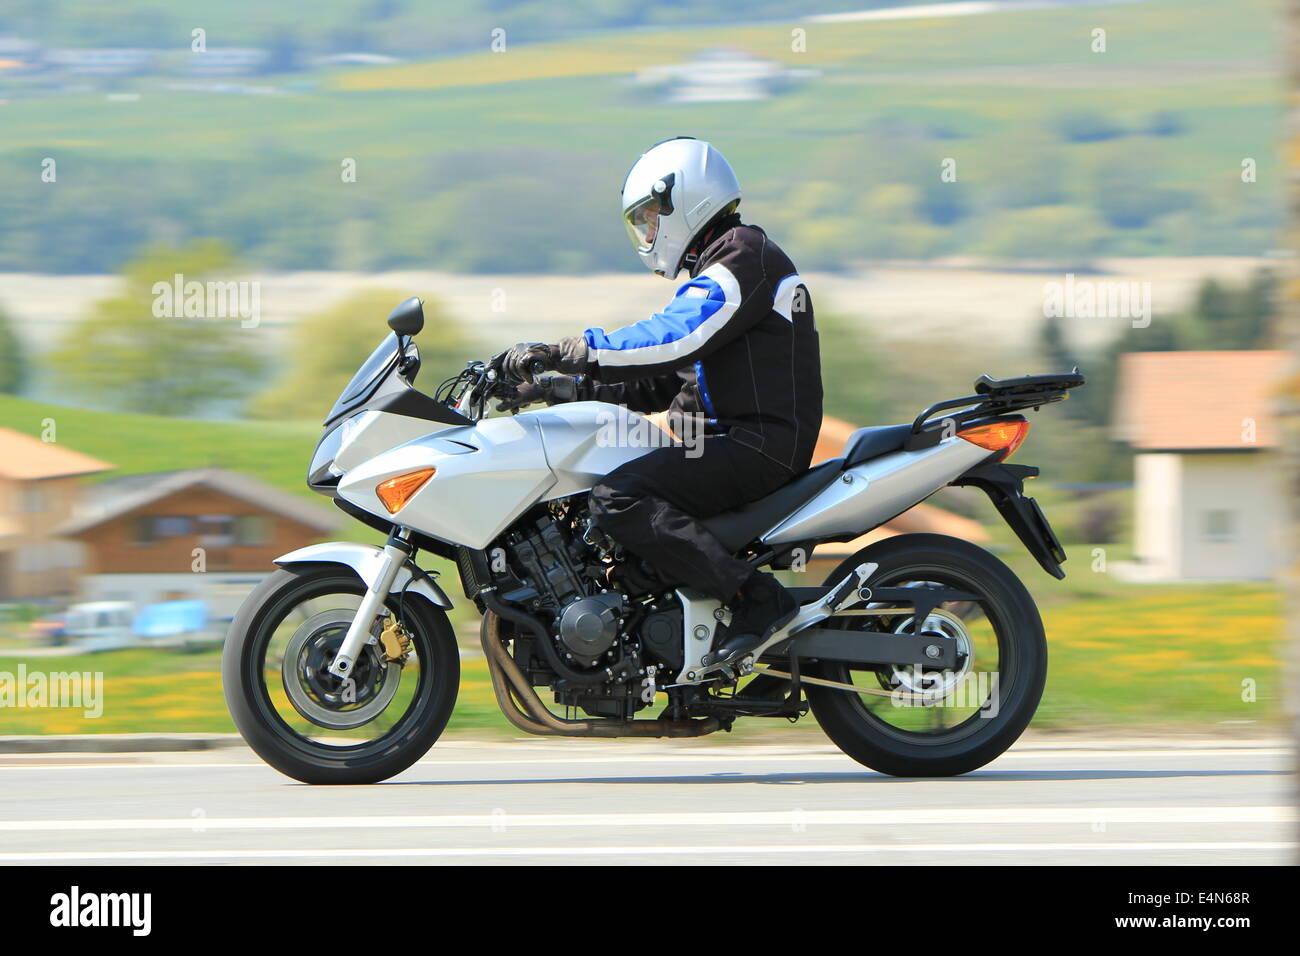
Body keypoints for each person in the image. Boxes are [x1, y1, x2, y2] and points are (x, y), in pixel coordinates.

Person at [500, 137, 822, 671]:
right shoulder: (726, 267)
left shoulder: (743, 257)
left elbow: (675, 336)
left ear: (684, 200)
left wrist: (569, 352)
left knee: (618, 497)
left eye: (651, 218)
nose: (648, 234)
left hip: (756, 444)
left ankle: (757, 602)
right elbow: (666, 378)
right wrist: (559, 389)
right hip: (725, 439)